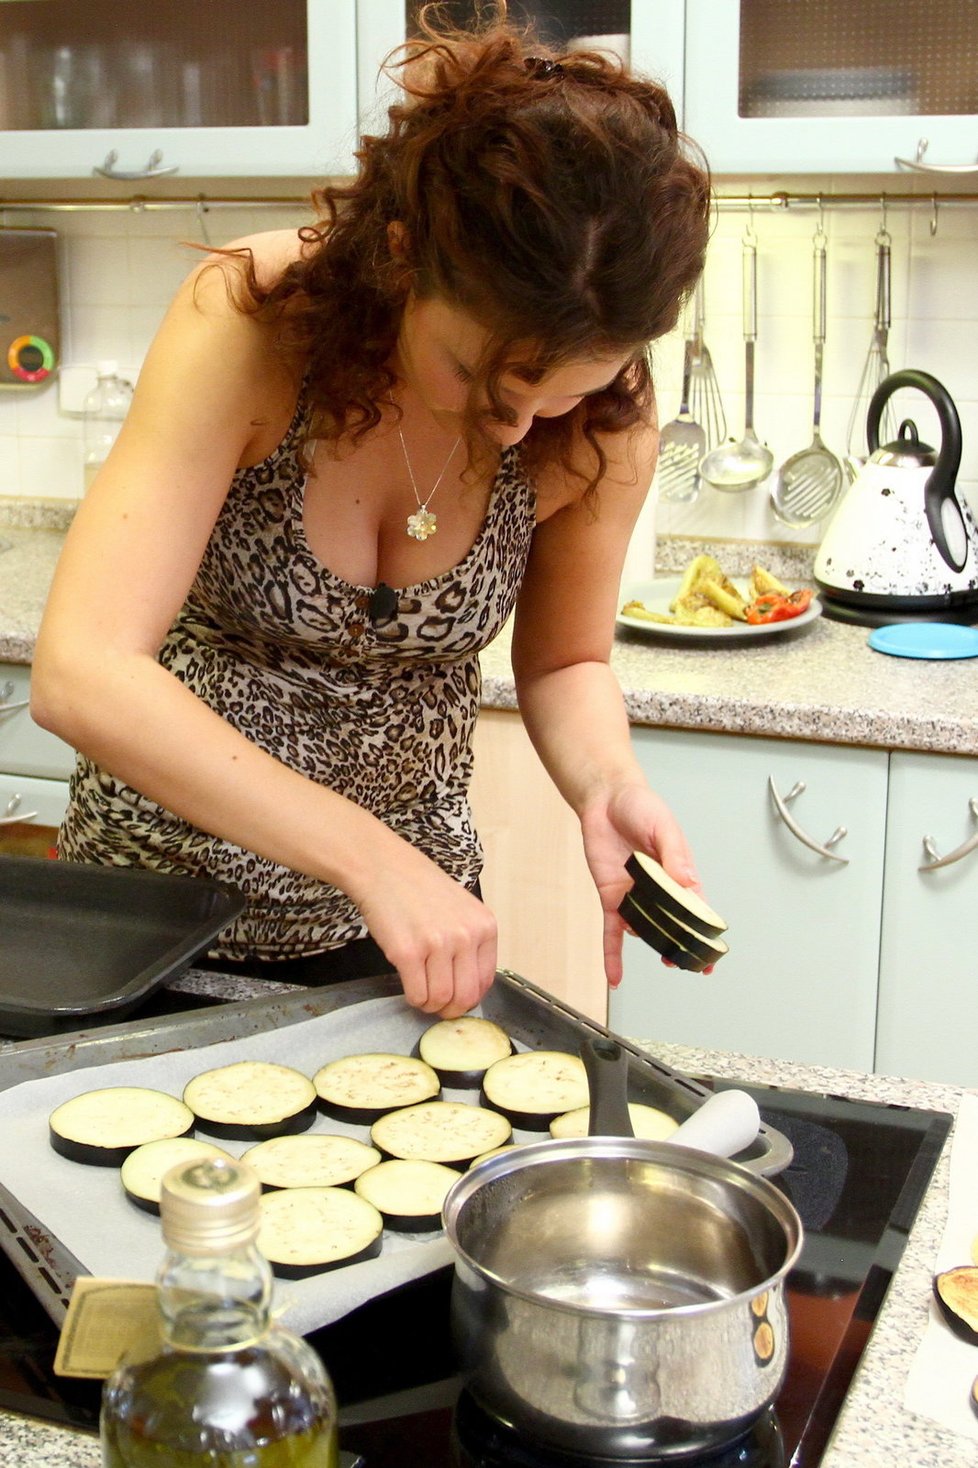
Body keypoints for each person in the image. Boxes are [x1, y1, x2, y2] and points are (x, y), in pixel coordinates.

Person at [31, 7, 712, 1020]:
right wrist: (367, 854)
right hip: (152, 917)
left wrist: (606, 782)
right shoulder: (257, 320)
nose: (518, 429)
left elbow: (567, 663)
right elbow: (82, 671)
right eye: (476, 371)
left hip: (406, 931)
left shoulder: (606, 427)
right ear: (400, 257)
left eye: (560, 389)